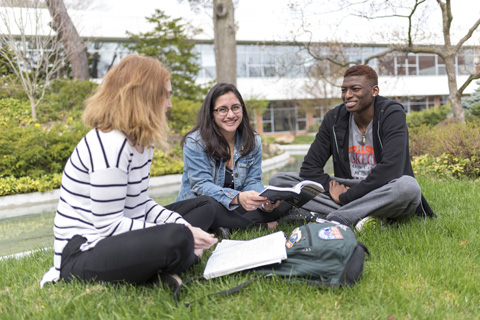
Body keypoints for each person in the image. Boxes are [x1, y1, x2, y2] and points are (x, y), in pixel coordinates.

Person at [40, 55, 218, 288]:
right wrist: (181, 232)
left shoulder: (142, 143)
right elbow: (109, 225)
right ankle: (174, 257)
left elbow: (140, 204)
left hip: (121, 235)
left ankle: (162, 264)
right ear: (145, 97)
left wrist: (184, 225)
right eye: (166, 96)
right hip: (82, 253)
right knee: (176, 238)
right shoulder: (110, 145)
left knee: (205, 207)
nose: (169, 105)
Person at [269, 65, 435, 230]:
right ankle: (369, 215)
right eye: (344, 90)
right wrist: (332, 187)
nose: (347, 95)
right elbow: (309, 169)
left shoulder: (391, 114)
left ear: (374, 90)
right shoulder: (334, 118)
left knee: (408, 187)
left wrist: (345, 197)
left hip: (384, 187)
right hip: (349, 184)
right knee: (280, 181)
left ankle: (336, 217)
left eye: (355, 89)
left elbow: (391, 170)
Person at [176, 83, 290, 233]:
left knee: (285, 202)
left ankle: (226, 227)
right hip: (203, 206)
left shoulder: (253, 140)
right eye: (222, 109)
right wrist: (238, 198)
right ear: (211, 113)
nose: (230, 115)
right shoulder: (195, 142)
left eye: (235, 107)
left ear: (242, 109)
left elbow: (252, 181)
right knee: (210, 206)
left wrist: (263, 201)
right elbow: (201, 186)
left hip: (235, 208)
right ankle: (259, 226)